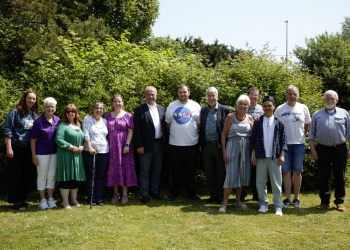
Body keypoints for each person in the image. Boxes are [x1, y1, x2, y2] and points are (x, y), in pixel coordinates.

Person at [309, 90, 350, 212]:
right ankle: (324, 202)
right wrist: (312, 150)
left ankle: (339, 202)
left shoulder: (344, 114)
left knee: (339, 176)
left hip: (340, 149)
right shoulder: (317, 114)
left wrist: (349, 149)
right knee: (323, 176)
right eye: (327, 98)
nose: (329, 100)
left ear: (337, 100)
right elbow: (311, 135)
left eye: (332, 98)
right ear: (323, 100)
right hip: (322, 149)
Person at [274, 85, 311, 208]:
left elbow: (306, 125)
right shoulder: (279, 109)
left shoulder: (303, 108)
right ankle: (288, 198)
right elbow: (276, 127)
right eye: (290, 94)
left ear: (298, 95)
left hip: (299, 144)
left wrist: (302, 136)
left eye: (295, 94)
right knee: (285, 172)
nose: (292, 96)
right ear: (286, 95)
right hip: (284, 145)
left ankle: (296, 198)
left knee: (297, 172)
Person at [2, 90, 39, 211]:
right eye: (29, 98)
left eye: (34, 99)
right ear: (24, 98)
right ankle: (16, 201)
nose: (31, 101)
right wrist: (9, 148)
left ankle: (22, 200)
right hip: (16, 146)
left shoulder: (33, 114)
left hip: (28, 148)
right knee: (15, 175)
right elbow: (7, 129)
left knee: (25, 175)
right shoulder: (15, 112)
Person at [251, 96, 287, 216]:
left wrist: (282, 155)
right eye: (265, 106)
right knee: (260, 182)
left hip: (275, 156)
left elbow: (284, 140)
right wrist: (253, 155)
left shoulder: (279, 122)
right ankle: (263, 204)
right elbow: (254, 140)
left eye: (269, 106)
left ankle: (278, 206)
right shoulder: (257, 122)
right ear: (262, 107)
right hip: (261, 156)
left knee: (276, 182)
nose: (267, 108)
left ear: (274, 106)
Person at [165, 84, 201, 202]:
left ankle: (192, 194)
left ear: (189, 92)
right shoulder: (171, 106)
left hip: (192, 144)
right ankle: (173, 194)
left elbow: (199, 125)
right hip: (175, 144)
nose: (182, 94)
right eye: (180, 92)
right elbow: (168, 125)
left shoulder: (196, 105)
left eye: (184, 92)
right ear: (178, 93)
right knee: (175, 171)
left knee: (191, 171)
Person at [219, 95, 253, 213]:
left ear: (248, 106)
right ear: (237, 104)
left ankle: (238, 201)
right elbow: (223, 135)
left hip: (246, 149)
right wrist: (224, 151)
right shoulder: (230, 117)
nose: (243, 106)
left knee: (242, 175)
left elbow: (253, 135)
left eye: (245, 104)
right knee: (230, 175)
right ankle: (224, 203)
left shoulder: (250, 118)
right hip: (232, 147)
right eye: (241, 104)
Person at [134, 86, 168, 203]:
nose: (151, 96)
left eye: (153, 94)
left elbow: (165, 128)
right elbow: (137, 130)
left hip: (159, 144)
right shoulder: (139, 110)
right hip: (145, 146)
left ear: (156, 95)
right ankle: (144, 193)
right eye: (148, 94)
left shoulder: (163, 109)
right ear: (145, 96)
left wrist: (166, 144)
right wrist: (139, 145)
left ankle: (154, 191)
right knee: (144, 170)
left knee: (157, 170)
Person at [199, 87, 230, 204]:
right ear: (206, 97)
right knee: (209, 171)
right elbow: (201, 128)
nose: (211, 98)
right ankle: (213, 194)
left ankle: (220, 195)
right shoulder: (203, 110)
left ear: (217, 96)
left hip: (219, 146)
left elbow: (228, 129)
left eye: (213, 95)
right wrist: (201, 144)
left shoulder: (225, 110)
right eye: (209, 96)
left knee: (221, 171)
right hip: (207, 145)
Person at [105, 94, 137, 204]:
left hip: (124, 147)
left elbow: (131, 131)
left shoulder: (127, 116)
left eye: (119, 101)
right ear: (112, 103)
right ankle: (115, 193)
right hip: (111, 147)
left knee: (125, 168)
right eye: (115, 101)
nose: (117, 103)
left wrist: (127, 145)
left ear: (122, 103)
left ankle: (124, 194)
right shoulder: (108, 116)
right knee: (113, 169)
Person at [30, 97, 60, 210]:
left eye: (52, 106)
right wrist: (33, 155)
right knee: (42, 176)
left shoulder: (57, 120)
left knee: (51, 176)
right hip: (42, 153)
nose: (50, 108)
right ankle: (42, 200)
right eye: (47, 106)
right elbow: (33, 140)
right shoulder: (38, 122)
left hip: (54, 153)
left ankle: (50, 199)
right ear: (44, 108)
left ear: (55, 108)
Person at [55, 104, 85, 209]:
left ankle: (73, 200)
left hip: (77, 156)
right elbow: (59, 139)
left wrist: (82, 146)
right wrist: (72, 147)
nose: (70, 113)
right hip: (66, 155)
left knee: (74, 178)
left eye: (73, 111)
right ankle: (65, 202)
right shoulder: (62, 125)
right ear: (65, 114)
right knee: (65, 178)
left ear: (76, 113)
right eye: (68, 111)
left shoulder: (79, 125)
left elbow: (83, 139)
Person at [82, 102, 109, 206]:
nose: (99, 110)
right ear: (92, 109)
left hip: (104, 151)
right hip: (90, 151)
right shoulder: (88, 119)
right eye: (97, 108)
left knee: (100, 175)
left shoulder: (105, 121)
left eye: (101, 108)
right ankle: (92, 198)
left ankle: (100, 198)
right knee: (91, 175)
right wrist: (89, 147)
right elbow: (86, 134)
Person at [241, 87, 264, 201]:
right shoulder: (243, 107)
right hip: (245, 141)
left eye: (255, 95)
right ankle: (242, 193)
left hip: (257, 142)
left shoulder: (262, 109)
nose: (253, 97)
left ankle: (256, 193)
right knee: (244, 167)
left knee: (256, 168)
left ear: (258, 97)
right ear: (248, 95)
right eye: (251, 94)